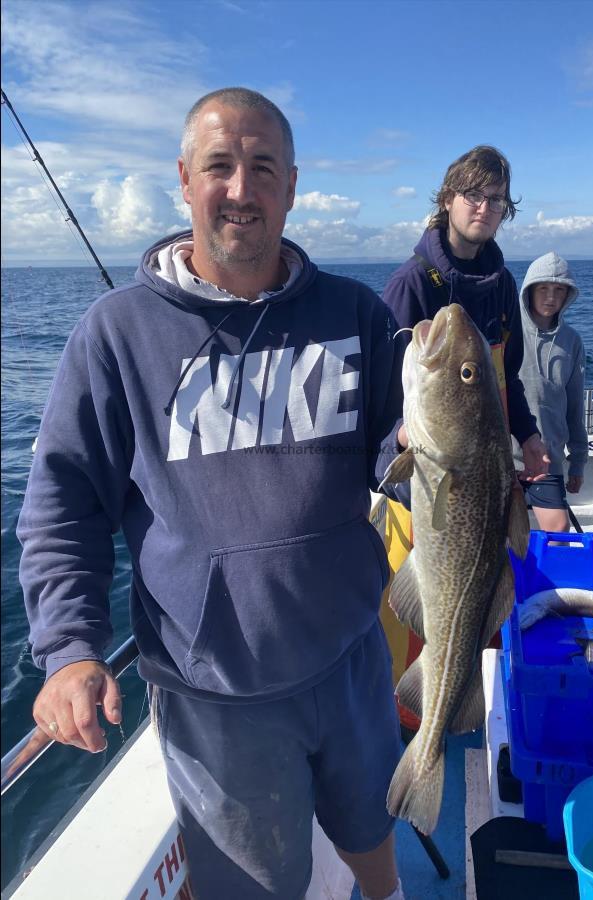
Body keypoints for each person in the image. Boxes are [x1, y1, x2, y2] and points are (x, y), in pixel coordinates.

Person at [18, 88, 406, 900]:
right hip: (216, 696)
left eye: (262, 167)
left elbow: (385, 450)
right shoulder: (115, 332)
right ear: (185, 179)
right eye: (220, 166)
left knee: (373, 824)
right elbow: (63, 505)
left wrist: (428, 448)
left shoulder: (356, 313)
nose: (241, 188)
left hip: (349, 657)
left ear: (291, 186)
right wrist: (71, 650)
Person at [381, 145, 548, 481]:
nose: (484, 208)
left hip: (488, 468)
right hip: (426, 476)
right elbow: (381, 400)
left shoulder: (501, 283)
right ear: (447, 200)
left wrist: (528, 435)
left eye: (496, 199)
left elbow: (507, 378)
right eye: (473, 195)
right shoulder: (410, 285)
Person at [515, 252, 588, 532]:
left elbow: (574, 406)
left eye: (559, 290)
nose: (550, 297)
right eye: (543, 288)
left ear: (568, 295)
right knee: (498, 536)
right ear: (529, 290)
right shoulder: (508, 333)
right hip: (505, 458)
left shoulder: (572, 341)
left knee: (559, 531)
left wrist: (578, 462)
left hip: (549, 460)